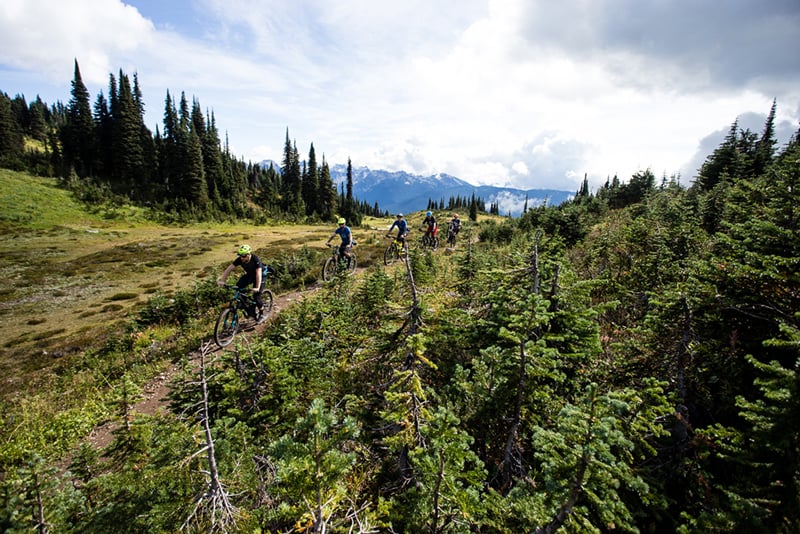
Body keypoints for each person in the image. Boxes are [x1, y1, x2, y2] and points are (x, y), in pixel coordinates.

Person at [218, 244, 267, 323]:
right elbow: (229, 269)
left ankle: (261, 313)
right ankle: (248, 308)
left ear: (249, 254)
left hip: (261, 275)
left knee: (256, 296)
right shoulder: (239, 260)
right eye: (240, 255)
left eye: (244, 256)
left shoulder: (255, 259)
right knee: (239, 287)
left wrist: (257, 287)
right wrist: (222, 280)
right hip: (250, 275)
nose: (242, 258)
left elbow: (258, 274)